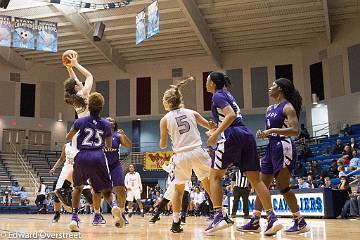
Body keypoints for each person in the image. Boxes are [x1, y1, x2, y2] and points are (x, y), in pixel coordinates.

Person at [205, 72, 282, 236]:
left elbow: (230, 116)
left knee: (215, 176)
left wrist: (215, 134)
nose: (206, 83)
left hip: (232, 135)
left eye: (207, 80)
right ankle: (272, 218)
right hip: (246, 134)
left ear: (212, 83)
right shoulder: (227, 94)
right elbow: (230, 116)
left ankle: (219, 215)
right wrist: (215, 127)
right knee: (256, 180)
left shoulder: (217, 95)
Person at [240, 78, 310, 235]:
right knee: (260, 184)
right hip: (271, 147)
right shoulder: (270, 108)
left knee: (283, 187)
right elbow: (270, 130)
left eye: (273, 85)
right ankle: (255, 221)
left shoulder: (288, 107)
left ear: (281, 89)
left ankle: (300, 221)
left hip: (284, 147)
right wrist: (264, 134)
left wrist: (272, 131)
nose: (269, 88)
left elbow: (295, 131)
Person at [159, 76, 214, 233]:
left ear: (169, 102)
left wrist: (164, 140)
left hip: (181, 155)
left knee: (178, 189)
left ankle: (176, 223)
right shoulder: (192, 112)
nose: (163, 102)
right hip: (197, 150)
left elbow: (163, 145)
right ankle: (220, 214)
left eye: (164, 100)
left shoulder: (165, 119)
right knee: (209, 182)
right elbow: (209, 125)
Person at [66, 92, 120, 232]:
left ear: (88, 106)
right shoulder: (107, 124)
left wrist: (76, 132)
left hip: (82, 156)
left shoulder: (80, 121)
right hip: (98, 156)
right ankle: (114, 206)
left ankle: (73, 218)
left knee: (77, 188)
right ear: (101, 107)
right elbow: (108, 145)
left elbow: (68, 136)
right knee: (107, 191)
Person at [105, 117, 132, 226]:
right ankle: (114, 208)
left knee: (121, 190)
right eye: (107, 120)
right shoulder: (99, 135)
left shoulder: (118, 135)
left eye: (111, 120)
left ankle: (121, 213)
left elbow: (129, 145)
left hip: (115, 165)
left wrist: (124, 135)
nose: (109, 121)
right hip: (103, 165)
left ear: (114, 124)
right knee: (106, 190)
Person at [63, 53, 93, 118]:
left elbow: (74, 79)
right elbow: (89, 76)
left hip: (82, 125)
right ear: (76, 87)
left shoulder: (73, 98)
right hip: (89, 125)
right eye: (79, 82)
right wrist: (76, 64)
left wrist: (69, 68)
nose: (80, 82)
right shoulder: (83, 93)